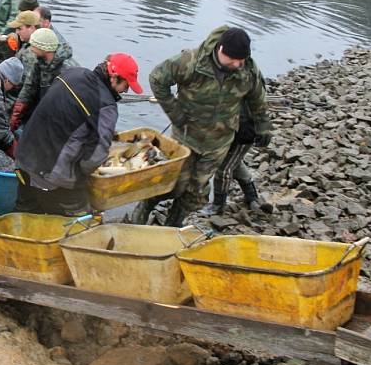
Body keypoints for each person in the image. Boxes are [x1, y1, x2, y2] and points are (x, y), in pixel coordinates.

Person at [132, 26, 271, 227]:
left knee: (196, 194)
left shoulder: (247, 69)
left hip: (219, 142)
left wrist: (263, 125)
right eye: (233, 60)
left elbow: (257, 98)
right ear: (221, 50)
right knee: (173, 185)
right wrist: (175, 113)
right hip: (186, 138)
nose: (238, 64)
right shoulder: (190, 62)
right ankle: (143, 209)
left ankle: (172, 227)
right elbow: (157, 79)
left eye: (241, 60)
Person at [14, 54, 143, 215]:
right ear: (114, 78)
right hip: (50, 174)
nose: (126, 90)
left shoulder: (73, 73)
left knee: (25, 213)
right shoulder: (106, 107)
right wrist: (87, 171)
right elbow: (95, 156)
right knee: (79, 223)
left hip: (24, 156)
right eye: (126, 84)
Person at [204, 99, 268, 215]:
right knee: (235, 162)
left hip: (243, 132)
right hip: (230, 130)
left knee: (223, 169)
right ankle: (251, 196)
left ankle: (218, 205)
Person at [10, 28, 74, 131]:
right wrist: (16, 113)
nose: (30, 49)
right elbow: (29, 88)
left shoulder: (66, 70)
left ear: (44, 48)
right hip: (41, 108)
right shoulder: (39, 63)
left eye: (34, 46)